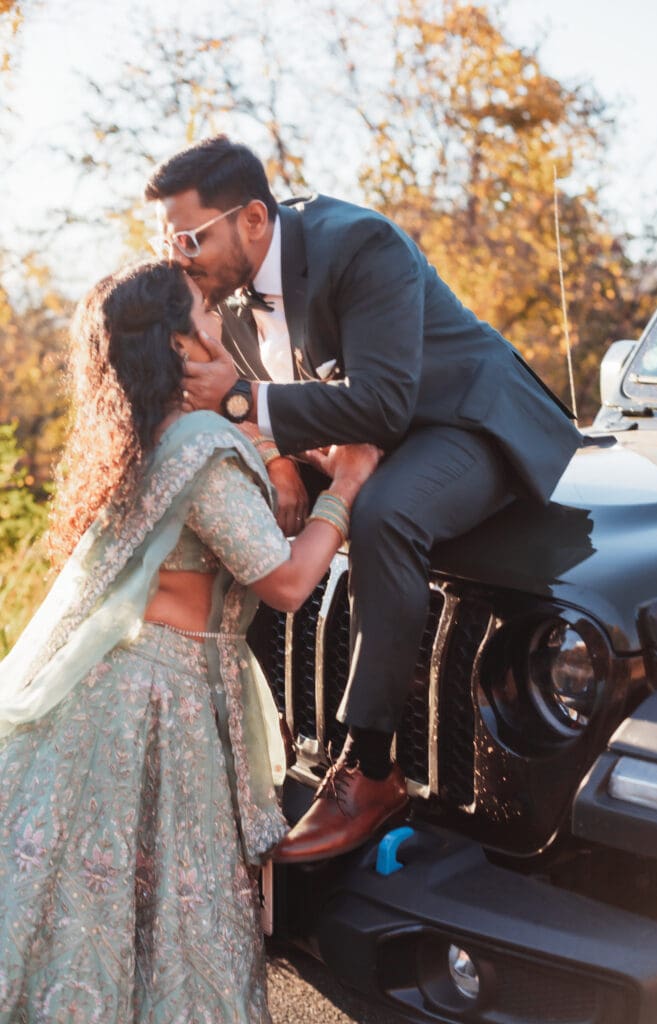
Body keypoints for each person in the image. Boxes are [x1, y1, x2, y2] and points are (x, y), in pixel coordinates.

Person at [143, 136, 583, 864]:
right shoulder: (226, 289)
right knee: (239, 501)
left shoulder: (360, 245)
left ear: (252, 219)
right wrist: (279, 463)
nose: (177, 257)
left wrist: (243, 400)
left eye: (189, 238)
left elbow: (380, 404)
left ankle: (371, 769)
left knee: (385, 517)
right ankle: (269, 728)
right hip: (354, 435)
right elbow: (276, 410)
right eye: (167, 240)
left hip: (463, 420)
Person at [0, 260, 379, 1022]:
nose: (219, 325)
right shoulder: (197, 447)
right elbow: (285, 582)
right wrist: (346, 485)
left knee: (109, 911)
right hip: (157, 705)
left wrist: (280, 452)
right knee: (174, 913)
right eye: (205, 313)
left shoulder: (146, 437)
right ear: (177, 343)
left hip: (122, 692)